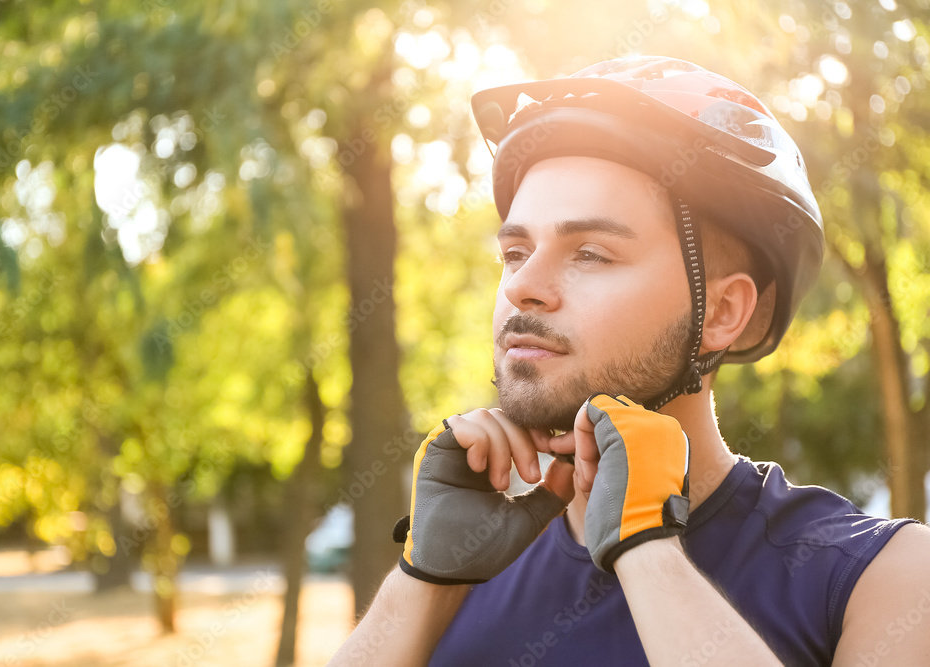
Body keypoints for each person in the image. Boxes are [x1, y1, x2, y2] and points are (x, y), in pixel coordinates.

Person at [329, 56, 930, 666]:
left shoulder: (880, 577)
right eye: (514, 252)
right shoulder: (456, 575)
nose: (521, 286)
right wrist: (422, 580)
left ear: (723, 312)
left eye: (590, 253)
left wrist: (647, 546)